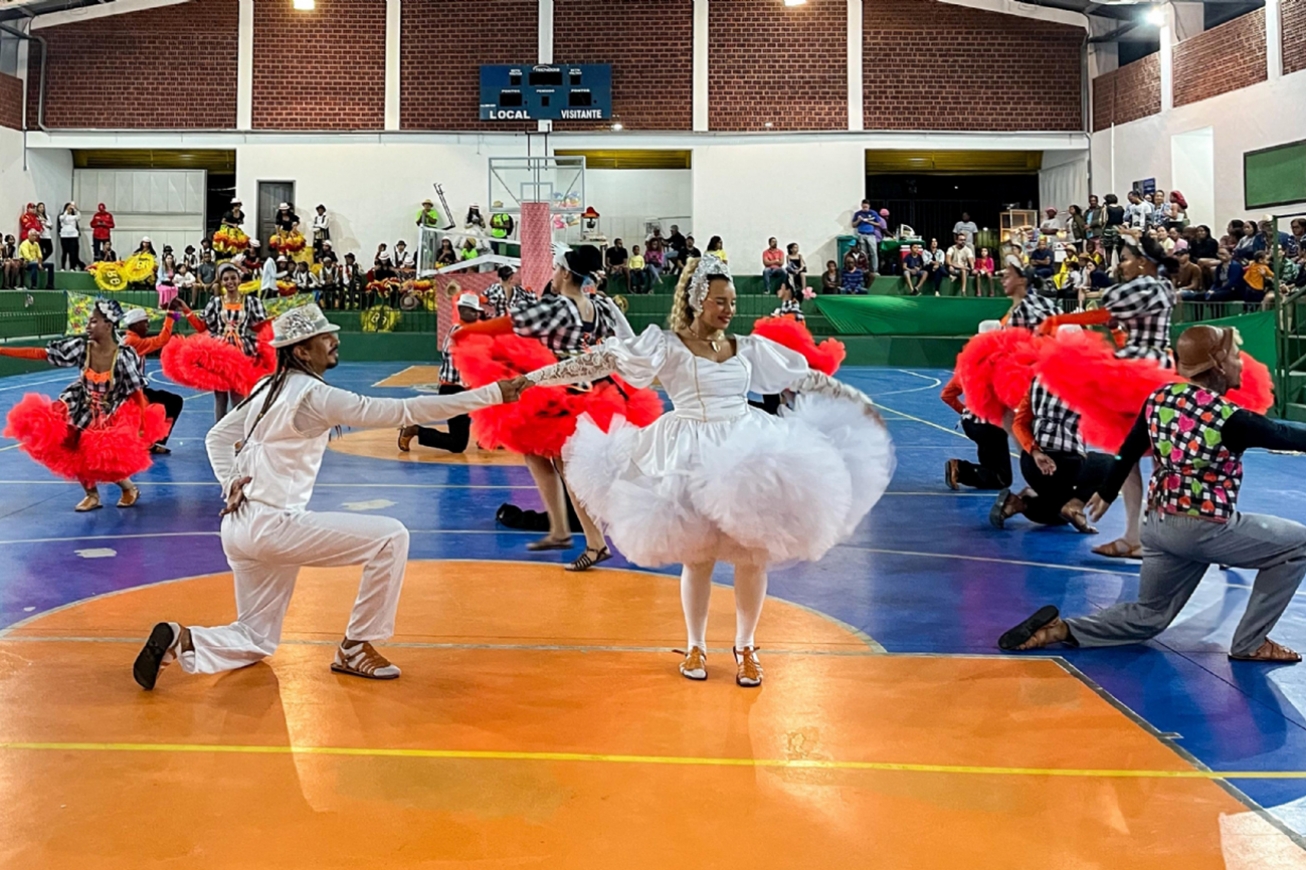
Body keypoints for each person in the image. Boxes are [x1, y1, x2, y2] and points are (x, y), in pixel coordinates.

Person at [517, 255, 893, 687]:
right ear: (698, 301)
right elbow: (601, 361)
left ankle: (746, 646)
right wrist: (534, 379)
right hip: (687, 457)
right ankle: (695, 644)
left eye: (732, 302)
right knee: (698, 559)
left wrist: (857, 401)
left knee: (752, 558)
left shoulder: (748, 348)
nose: (728, 309)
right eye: (720, 301)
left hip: (746, 455)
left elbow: (804, 376)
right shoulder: (667, 345)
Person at [132, 303, 522, 690]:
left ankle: (184, 639)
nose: (335, 340)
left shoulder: (268, 386)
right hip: (274, 526)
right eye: (324, 337)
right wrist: (490, 394)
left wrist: (230, 481)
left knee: (257, 637)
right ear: (301, 350)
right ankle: (355, 647)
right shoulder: (316, 397)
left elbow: (216, 437)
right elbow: (404, 408)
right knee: (392, 537)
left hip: (238, 528)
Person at [1001, 325, 1304, 664]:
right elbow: (1289, 435)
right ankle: (1251, 642)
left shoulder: (1160, 397)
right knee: (1298, 544)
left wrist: (1108, 489)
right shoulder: (1232, 419)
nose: (1240, 363)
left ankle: (1062, 630)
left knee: (1150, 615)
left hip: (1158, 526)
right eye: (1234, 355)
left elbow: (1128, 449)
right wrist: (1108, 488)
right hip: (1204, 528)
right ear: (1218, 363)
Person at [451, 244, 663, 572]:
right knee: (546, 456)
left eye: (555, 269)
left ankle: (591, 540)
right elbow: (625, 340)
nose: (552, 274)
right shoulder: (602, 306)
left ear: (565, 273)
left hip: (563, 394)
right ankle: (573, 531)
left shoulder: (558, 308)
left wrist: (472, 331)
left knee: (558, 462)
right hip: (598, 392)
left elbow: (514, 324)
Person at [0, 299, 165, 511]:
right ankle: (92, 495)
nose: (88, 326)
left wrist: (142, 423)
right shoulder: (81, 348)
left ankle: (128, 487)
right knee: (73, 449)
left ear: (108, 324)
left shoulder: (123, 356)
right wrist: (3, 350)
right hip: (80, 405)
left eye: (93, 321)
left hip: (110, 411)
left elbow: (136, 393)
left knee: (105, 459)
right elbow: (41, 353)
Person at [990, 327, 1112, 534]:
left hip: (1032, 465)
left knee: (1058, 515)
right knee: (1112, 465)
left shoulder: (1037, 379)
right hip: (1068, 464)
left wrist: (1035, 452)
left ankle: (1018, 503)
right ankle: (1076, 504)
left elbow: (1019, 423)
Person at [162, 262, 270, 421]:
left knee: (238, 396)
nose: (230, 282)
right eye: (226, 279)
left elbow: (261, 327)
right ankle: (219, 435)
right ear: (222, 282)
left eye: (233, 278)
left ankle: (237, 433)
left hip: (241, 353)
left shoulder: (252, 302)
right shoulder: (216, 302)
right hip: (218, 353)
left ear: (239, 280)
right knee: (220, 397)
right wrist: (186, 309)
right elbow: (201, 327)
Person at [398, 293, 484, 455]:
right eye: (472, 311)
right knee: (458, 444)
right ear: (462, 310)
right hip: (455, 390)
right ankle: (415, 430)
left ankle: (486, 438)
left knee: (492, 400)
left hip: (462, 389)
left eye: (476, 311)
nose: (475, 314)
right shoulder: (460, 333)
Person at [942, 321, 1012, 492]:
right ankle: (959, 469)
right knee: (1003, 478)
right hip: (991, 425)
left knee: (990, 465)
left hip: (971, 423)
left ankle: (963, 471)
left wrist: (967, 411)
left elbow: (947, 394)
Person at [120, 307, 186, 455]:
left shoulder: (129, 339)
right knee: (174, 402)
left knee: (169, 400)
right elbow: (162, 340)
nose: (148, 326)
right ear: (135, 325)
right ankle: (155, 442)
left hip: (132, 389)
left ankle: (152, 441)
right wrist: (170, 318)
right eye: (145, 323)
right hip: (133, 393)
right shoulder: (133, 341)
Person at [851, 200, 883, 279]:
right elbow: (853, 225)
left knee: (873, 253)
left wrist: (869, 221)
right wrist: (859, 220)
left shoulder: (873, 213)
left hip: (871, 235)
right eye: (863, 206)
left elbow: (879, 224)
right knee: (863, 254)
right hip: (861, 234)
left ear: (869, 206)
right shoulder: (858, 214)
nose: (865, 208)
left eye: (866, 207)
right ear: (861, 205)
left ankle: (874, 270)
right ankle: (864, 270)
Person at [56, 202, 83, 271]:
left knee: (72, 252)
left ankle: (72, 267)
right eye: (68, 208)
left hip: (73, 236)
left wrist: (76, 209)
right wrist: (66, 211)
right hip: (64, 236)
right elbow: (62, 219)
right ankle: (63, 267)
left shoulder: (74, 217)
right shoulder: (61, 216)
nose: (70, 210)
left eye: (71, 209)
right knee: (64, 252)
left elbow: (79, 217)